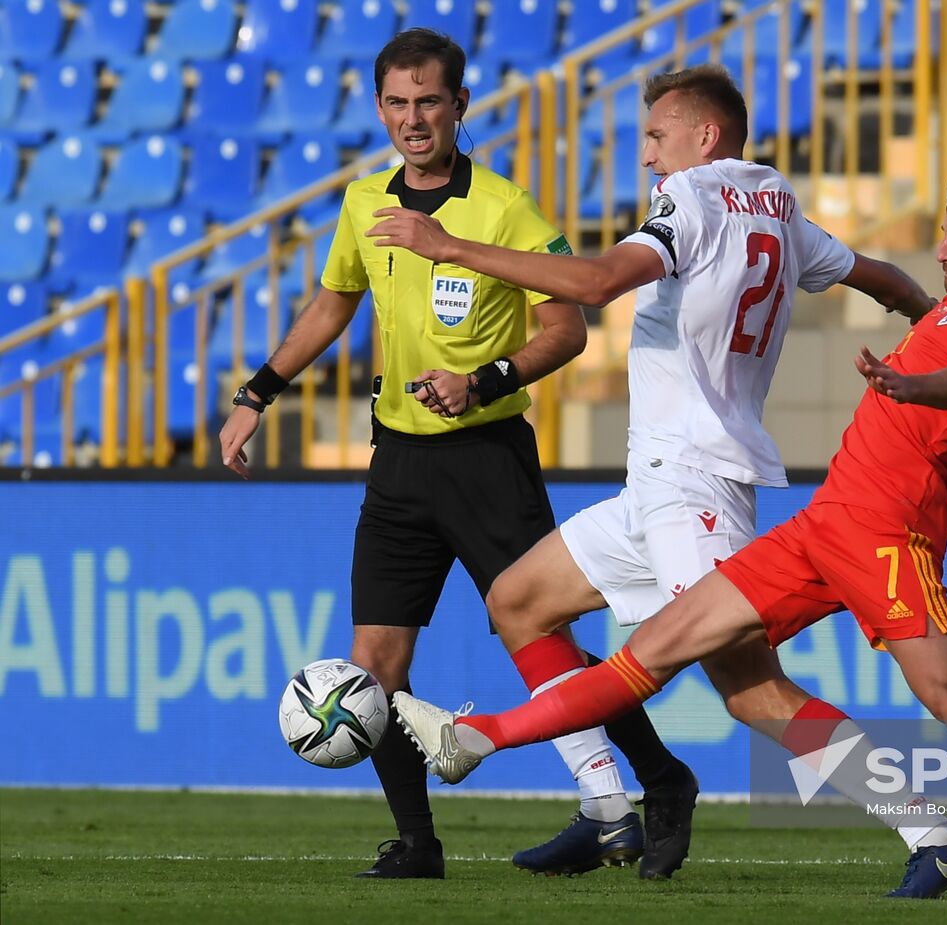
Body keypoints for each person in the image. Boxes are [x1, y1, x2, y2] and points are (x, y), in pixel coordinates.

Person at [394, 168, 947, 903]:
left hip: (891, 537)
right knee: (662, 647)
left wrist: (911, 382)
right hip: (822, 525)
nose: (942, 248)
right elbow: (904, 292)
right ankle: (476, 736)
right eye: (945, 232)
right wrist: (907, 308)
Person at [364, 63, 947, 881]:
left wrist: (449, 245)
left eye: (655, 136)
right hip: (655, 487)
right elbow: (880, 279)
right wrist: (943, 327)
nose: (647, 158)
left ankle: (933, 831)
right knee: (518, 601)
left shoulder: (698, 196)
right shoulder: (777, 204)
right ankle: (609, 807)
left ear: (703, 136)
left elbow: (601, 283)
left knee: (753, 692)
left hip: (697, 487)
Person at [218, 29, 691, 880]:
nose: (413, 119)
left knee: (539, 637)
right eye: (397, 103)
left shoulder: (503, 208)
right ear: (379, 109)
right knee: (376, 664)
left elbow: (566, 328)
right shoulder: (366, 201)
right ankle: (418, 843)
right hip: (397, 462)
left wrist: (481, 379)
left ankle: (652, 784)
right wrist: (257, 394)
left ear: (460, 106)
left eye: (429, 101)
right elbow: (331, 305)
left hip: (487, 458)